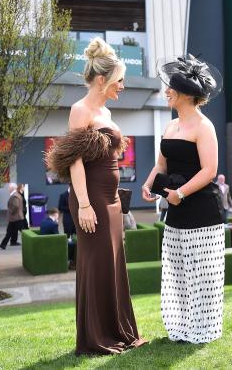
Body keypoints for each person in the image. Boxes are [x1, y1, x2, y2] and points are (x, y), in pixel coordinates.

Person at [45, 37, 146, 354]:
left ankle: (118, 330)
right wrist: (85, 205)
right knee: (96, 264)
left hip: (112, 201)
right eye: (119, 81)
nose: (123, 87)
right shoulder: (80, 109)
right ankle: (96, 337)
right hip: (92, 200)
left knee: (113, 264)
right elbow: (74, 161)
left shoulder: (104, 110)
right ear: (102, 80)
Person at [141, 53, 225, 344]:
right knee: (177, 271)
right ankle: (180, 326)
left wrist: (180, 193)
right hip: (174, 209)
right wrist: (149, 183)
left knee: (203, 274)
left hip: (201, 208)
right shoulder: (170, 126)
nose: (166, 92)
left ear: (186, 95)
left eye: (171, 88)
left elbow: (210, 170)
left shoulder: (204, 127)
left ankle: (203, 329)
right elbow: (161, 165)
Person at [0, 183, 24, 249]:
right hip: (15, 218)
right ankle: (4, 244)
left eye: (9, 187)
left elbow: (16, 206)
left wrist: (11, 212)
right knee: (9, 231)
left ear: (12, 188)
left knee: (24, 231)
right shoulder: (16, 194)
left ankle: (33, 240)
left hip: (16, 217)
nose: (8, 188)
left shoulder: (14, 195)